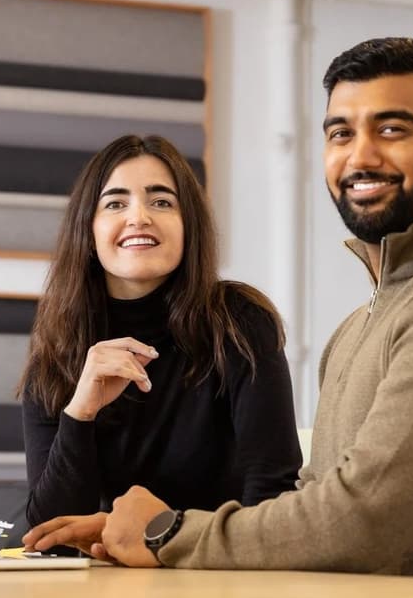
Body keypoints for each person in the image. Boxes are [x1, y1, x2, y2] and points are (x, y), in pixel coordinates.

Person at [25, 39, 413, 586]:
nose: (361, 155)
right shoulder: (361, 327)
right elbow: (310, 508)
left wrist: (165, 532)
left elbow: (357, 523)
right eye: (340, 133)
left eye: (392, 129)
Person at [19, 134, 302, 550]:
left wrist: (169, 544)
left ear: (189, 226)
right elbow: (50, 538)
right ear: (89, 231)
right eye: (115, 203)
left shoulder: (237, 322)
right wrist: (80, 412)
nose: (139, 217)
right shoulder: (57, 352)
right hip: (98, 595)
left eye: (161, 201)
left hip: (216, 582)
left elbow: (272, 496)